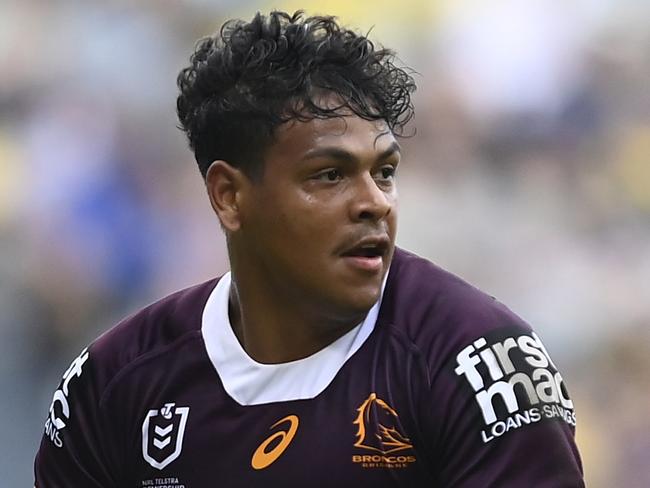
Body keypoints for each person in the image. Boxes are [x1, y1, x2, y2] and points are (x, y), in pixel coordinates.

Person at [34, 10, 584, 487]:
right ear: (229, 196)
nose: (375, 203)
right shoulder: (114, 386)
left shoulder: (479, 362)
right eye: (329, 175)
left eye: (385, 172)